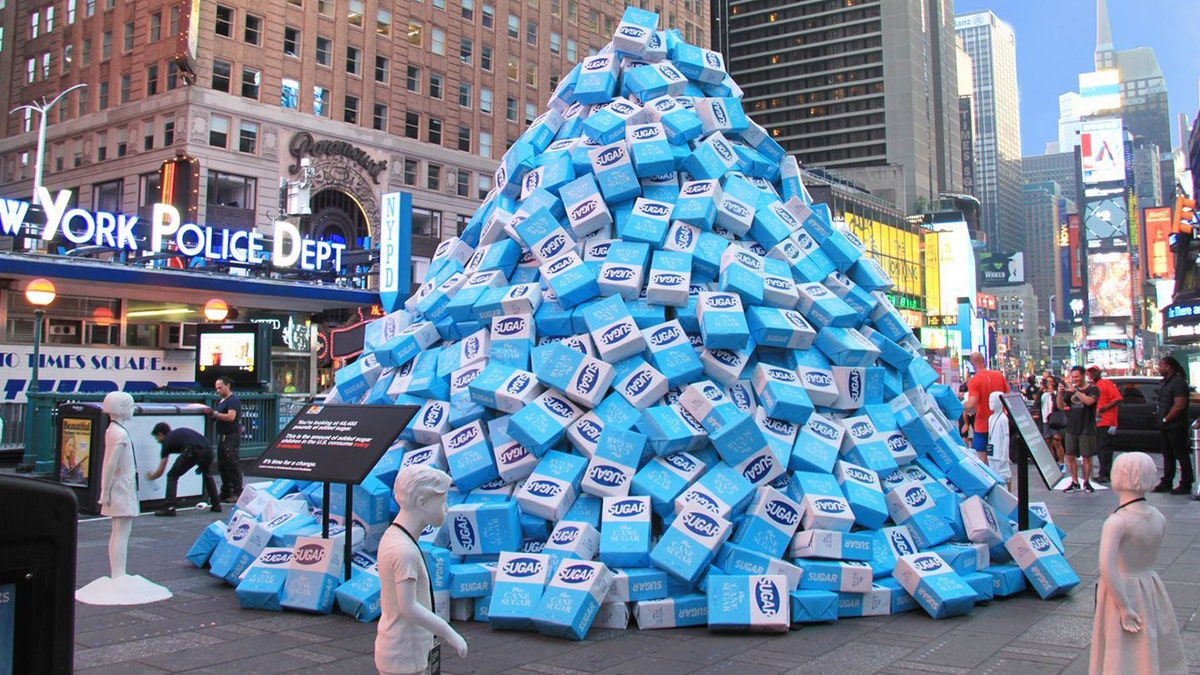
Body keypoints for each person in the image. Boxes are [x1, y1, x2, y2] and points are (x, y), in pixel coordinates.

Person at [1089, 452, 1186, 674]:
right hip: (1150, 586)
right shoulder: (1158, 517)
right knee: (1151, 637)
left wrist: (1123, 606)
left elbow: (1107, 567)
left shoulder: (1117, 522)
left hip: (1121, 588)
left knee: (1120, 645)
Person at [375, 465, 467, 675]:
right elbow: (408, 607)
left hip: (406, 650)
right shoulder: (403, 550)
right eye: (442, 501)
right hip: (403, 654)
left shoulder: (395, 538)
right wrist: (448, 632)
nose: (446, 508)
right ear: (422, 503)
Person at [99, 391, 138, 578]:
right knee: (122, 531)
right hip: (123, 486)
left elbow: (108, 465)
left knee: (118, 530)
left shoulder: (112, 431)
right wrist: (105, 491)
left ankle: (118, 572)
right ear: (122, 410)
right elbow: (110, 464)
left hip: (118, 484)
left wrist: (105, 489)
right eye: (131, 406)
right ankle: (119, 573)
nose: (134, 409)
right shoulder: (120, 434)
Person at [147, 422, 222, 517]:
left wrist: (151, 476)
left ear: (161, 434)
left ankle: (169, 507)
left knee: (172, 475)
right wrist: (202, 464)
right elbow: (201, 446)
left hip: (192, 450)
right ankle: (216, 505)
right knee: (207, 474)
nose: (157, 440)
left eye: (157, 437)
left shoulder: (166, 441)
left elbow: (161, 471)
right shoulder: (177, 434)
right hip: (208, 448)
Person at [1153, 356, 1193, 495]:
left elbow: (1180, 404)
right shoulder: (1167, 382)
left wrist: (1166, 418)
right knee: (1167, 454)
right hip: (1167, 425)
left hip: (1176, 425)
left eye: (1160, 365)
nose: (1158, 368)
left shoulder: (1177, 383)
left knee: (1180, 454)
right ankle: (1167, 481)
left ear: (1168, 367)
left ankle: (1186, 483)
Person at [1058, 365, 1099, 493]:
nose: (1074, 379)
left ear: (1083, 376)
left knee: (1086, 457)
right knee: (1070, 455)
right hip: (1071, 427)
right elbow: (1060, 406)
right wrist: (1060, 393)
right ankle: (1074, 481)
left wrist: (1075, 391)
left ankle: (1086, 482)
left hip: (1087, 427)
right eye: (1073, 377)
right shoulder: (1070, 392)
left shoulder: (1093, 389)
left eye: (1076, 376)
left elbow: (1089, 402)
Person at [962, 352, 1008, 464]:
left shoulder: (974, 380)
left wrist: (958, 405)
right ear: (984, 360)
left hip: (982, 424)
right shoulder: (999, 375)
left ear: (972, 363)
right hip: (999, 423)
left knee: (982, 460)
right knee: (1000, 460)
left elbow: (972, 403)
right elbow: (1007, 397)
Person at [210, 376, 243, 503]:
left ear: (227, 385)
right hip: (223, 435)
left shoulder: (232, 400)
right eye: (216, 388)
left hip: (231, 436)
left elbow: (231, 417)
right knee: (223, 464)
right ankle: (226, 491)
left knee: (232, 463)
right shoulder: (223, 401)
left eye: (220, 387)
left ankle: (236, 491)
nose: (218, 390)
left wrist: (216, 414)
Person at [1088, 365, 1123, 484]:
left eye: (1094, 372)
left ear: (1099, 372)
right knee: (1100, 449)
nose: (1092, 374)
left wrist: (1104, 408)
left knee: (1105, 448)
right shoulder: (1094, 386)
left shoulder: (1106, 383)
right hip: (1098, 422)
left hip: (1107, 422)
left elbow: (1117, 398)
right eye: (1090, 372)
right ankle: (1103, 473)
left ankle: (1105, 474)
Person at [985, 391, 1012, 491]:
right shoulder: (990, 418)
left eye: (991, 402)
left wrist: (1005, 455)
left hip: (1000, 454)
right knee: (993, 476)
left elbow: (1006, 437)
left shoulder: (1003, 419)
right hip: (992, 452)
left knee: (1003, 476)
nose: (989, 404)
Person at [1041, 375, 1066, 468]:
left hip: (1054, 419)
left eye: (1051, 382)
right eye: (1047, 382)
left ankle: (1062, 462)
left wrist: (1052, 394)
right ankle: (1052, 462)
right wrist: (1041, 391)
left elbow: (1059, 405)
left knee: (1056, 441)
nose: (1049, 384)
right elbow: (1037, 404)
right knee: (1048, 441)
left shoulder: (1056, 393)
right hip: (1045, 420)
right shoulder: (1043, 393)